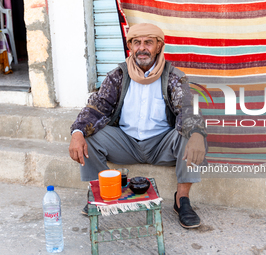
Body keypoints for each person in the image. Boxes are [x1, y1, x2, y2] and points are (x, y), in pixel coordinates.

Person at [69, 23, 207, 229]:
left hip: (162, 145)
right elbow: (97, 107)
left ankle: (182, 200)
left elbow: (187, 109)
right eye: (137, 43)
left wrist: (196, 133)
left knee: (193, 136)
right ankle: (101, 194)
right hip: (125, 143)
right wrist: (77, 132)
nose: (142, 48)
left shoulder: (174, 76)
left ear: (159, 46)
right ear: (131, 47)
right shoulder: (118, 75)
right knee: (86, 136)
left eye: (148, 43)